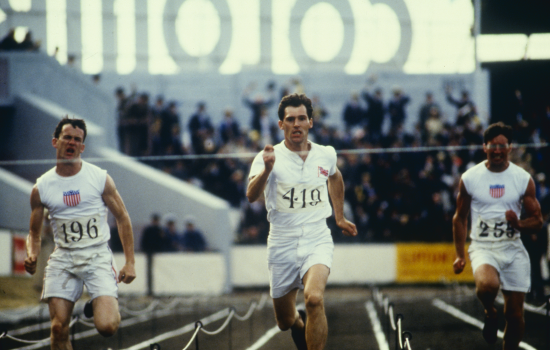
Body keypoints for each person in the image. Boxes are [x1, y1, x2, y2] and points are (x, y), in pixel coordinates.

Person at [246, 93, 357, 350]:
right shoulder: (268, 157)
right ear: (280, 125)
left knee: (314, 298)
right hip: (282, 240)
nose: (296, 124)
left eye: (301, 119)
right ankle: (298, 324)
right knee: (284, 321)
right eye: (290, 119)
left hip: (317, 236)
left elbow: (335, 177)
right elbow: (251, 195)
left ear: (311, 123)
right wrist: (267, 169)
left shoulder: (326, 154)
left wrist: (338, 217)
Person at [24, 117, 136, 349]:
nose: (72, 143)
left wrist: (130, 262)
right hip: (64, 258)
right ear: (56, 142)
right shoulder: (42, 187)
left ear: (82, 147)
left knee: (107, 327)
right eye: (67, 138)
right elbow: (33, 233)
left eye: (77, 139)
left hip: (96, 256)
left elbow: (123, 218)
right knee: (57, 327)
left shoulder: (99, 178)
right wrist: (32, 253)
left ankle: (99, 305)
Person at [452, 122, 543, 349]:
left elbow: (538, 221)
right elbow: (459, 218)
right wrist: (459, 255)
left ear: (510, 148)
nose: (497, 151)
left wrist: (519, 223)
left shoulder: (523, 179)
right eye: (493, 145)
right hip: (483, 247)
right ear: (485, 147)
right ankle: (490, 312)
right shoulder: (470, 177)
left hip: (512, 248)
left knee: (514, 316)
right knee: (487, 286)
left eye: (502, 146)